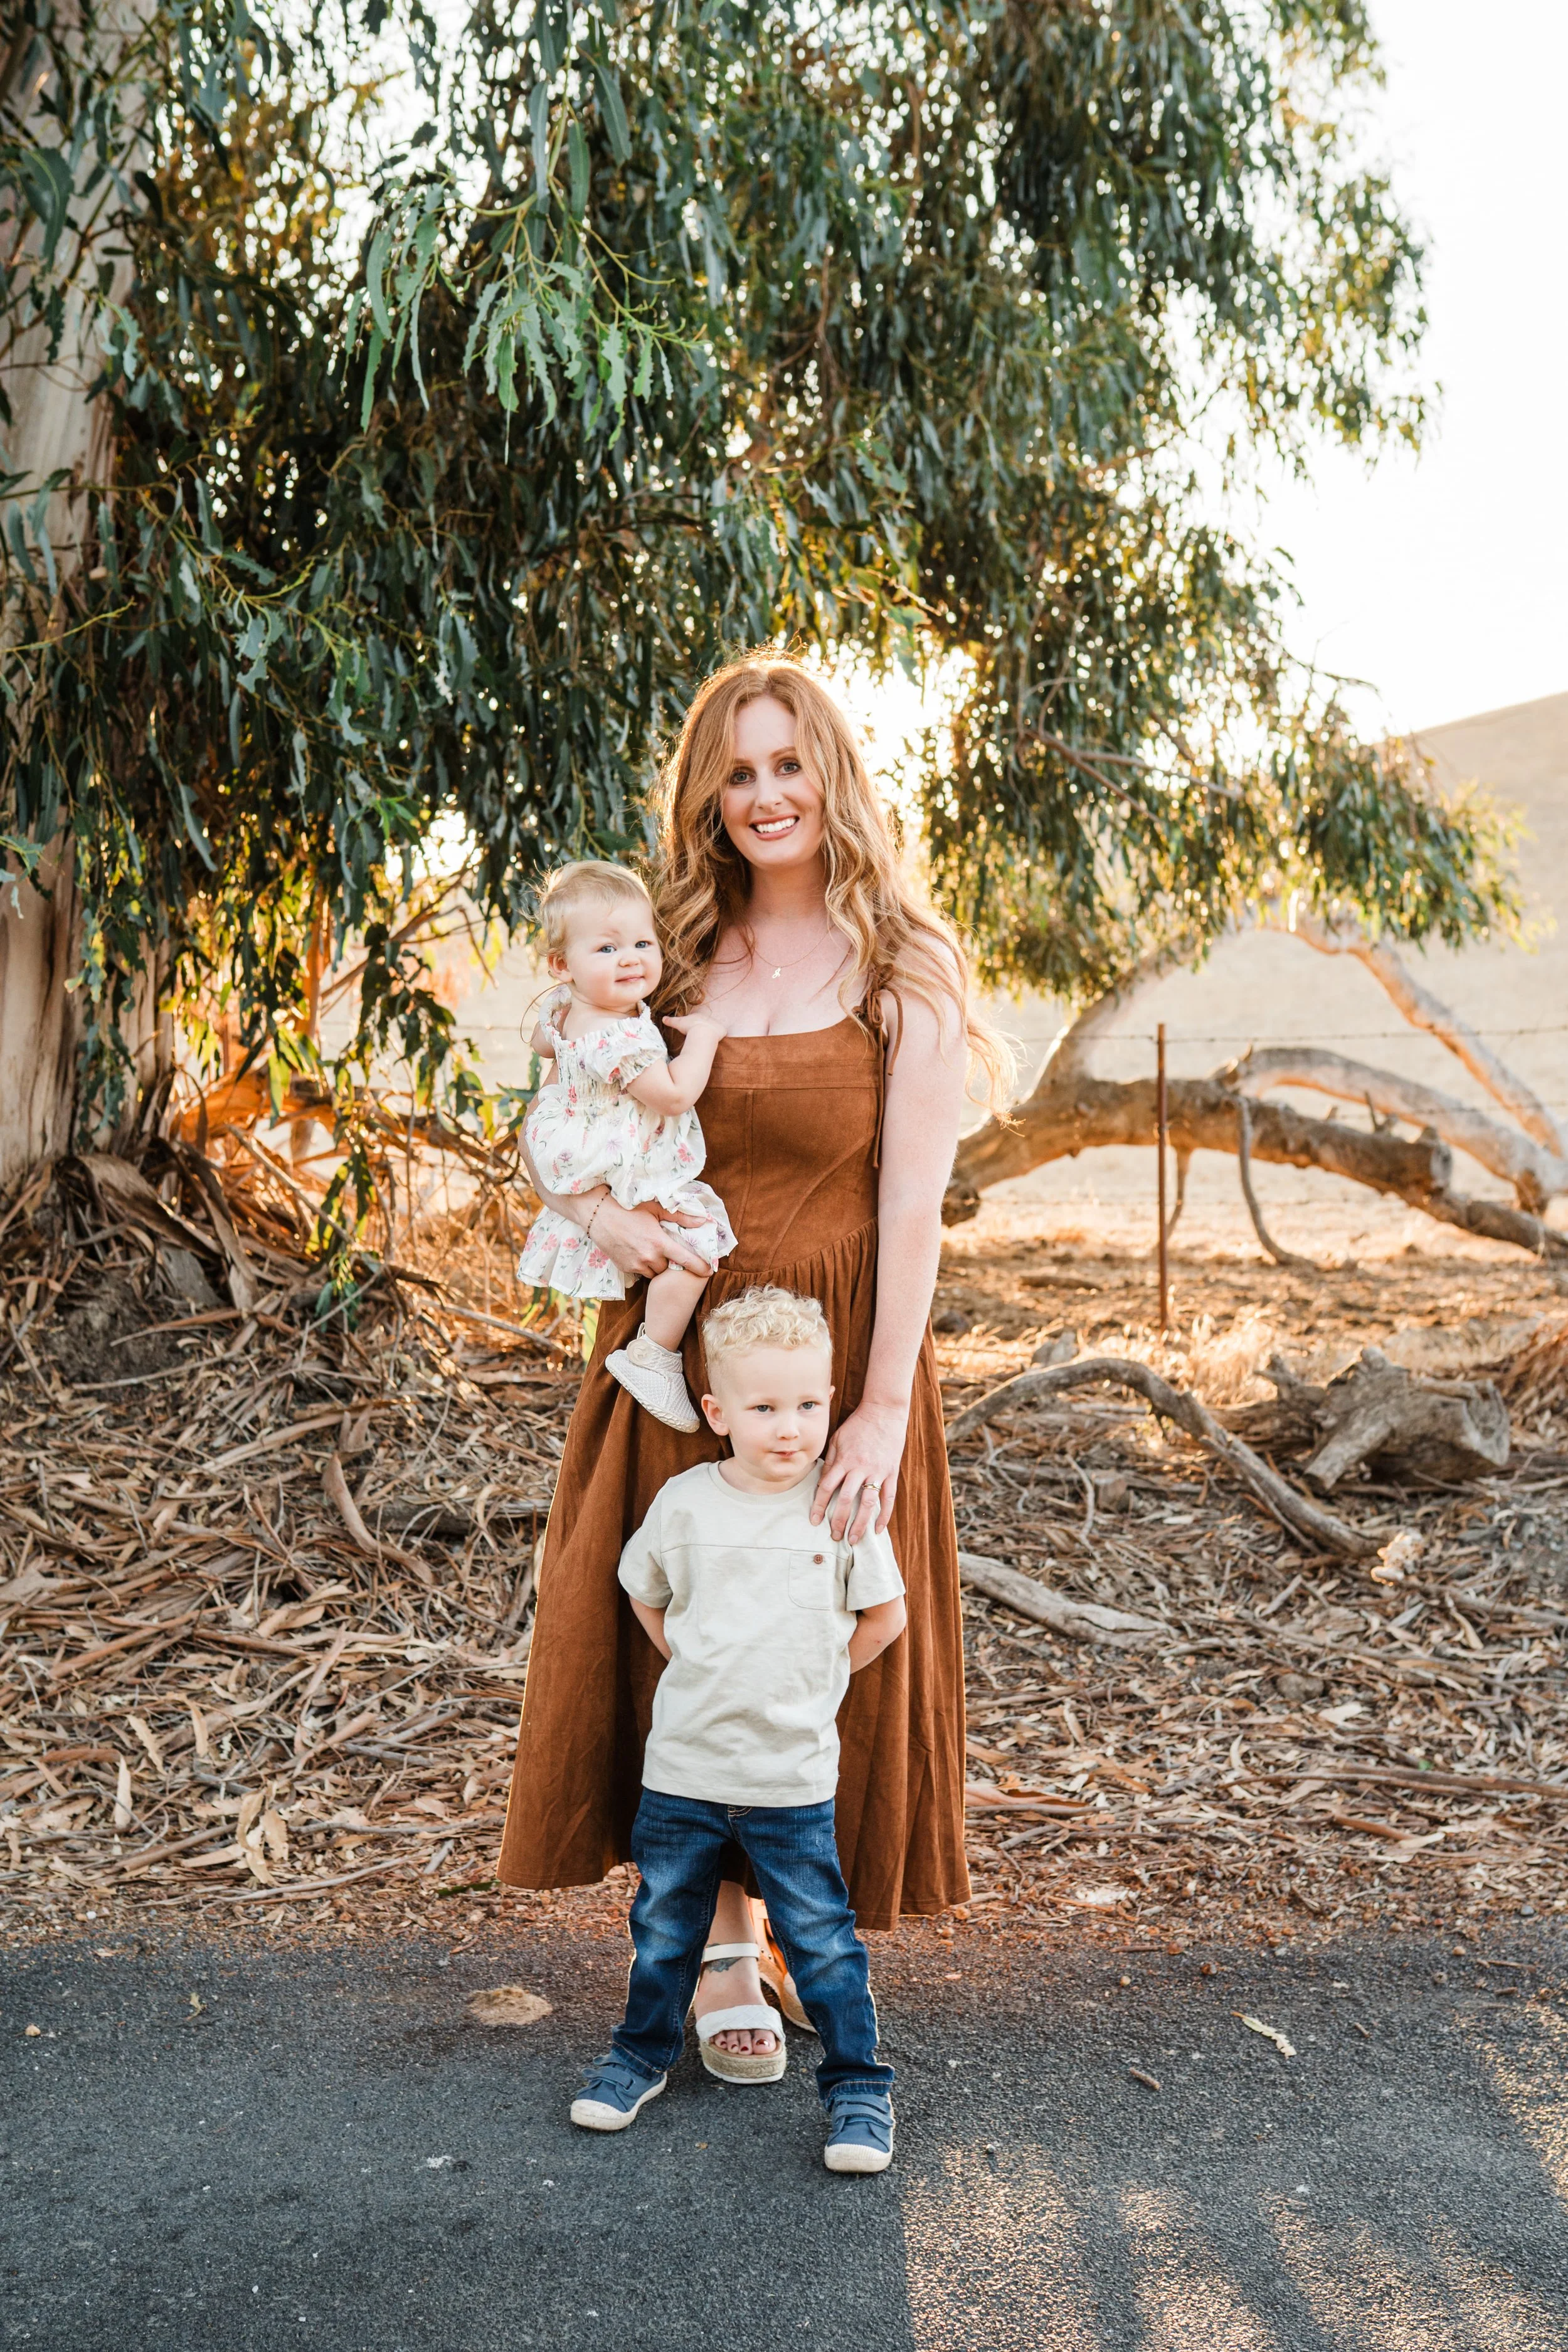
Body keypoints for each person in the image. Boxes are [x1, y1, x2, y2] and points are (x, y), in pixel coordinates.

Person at [501, 654, 1007, 2073]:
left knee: (802, 1634)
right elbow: (565, 1117)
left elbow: (911, 1207)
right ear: (706, 796)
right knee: (691, 1631)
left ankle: (785, 1914)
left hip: (830, 1358)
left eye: (789, 763)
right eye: (737, 771)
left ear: (832, 775)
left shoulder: (906, 966)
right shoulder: (660, 952)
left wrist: (884, 1406)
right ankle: (722, 1940)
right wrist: (604, 1220)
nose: (765, 793)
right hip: (683, 1347)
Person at [569, 1286, 906, 2173]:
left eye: (808, 1405)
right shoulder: (687, 1504)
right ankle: (639, 2056)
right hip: (684, 1772)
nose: (790, 1429)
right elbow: (643, 1590)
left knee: (822, 1942)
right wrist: (692, 1659)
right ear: (717, 1413)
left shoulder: (840, 1506)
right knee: (665, 1932)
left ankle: (858, 2088)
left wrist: (814, 1679)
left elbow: (884, 1618)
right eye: (763, 1409)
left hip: (790, 1779)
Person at [516, 860, 736, 1431]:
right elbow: (673, 1096)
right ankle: (653, 1355)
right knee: (697, 1240)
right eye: (607, 949)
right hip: (614, 1157)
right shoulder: (617, 1036)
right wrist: (705, 1038)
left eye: (642, 943)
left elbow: (543, 1043)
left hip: (571, 1138)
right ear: (561, 965)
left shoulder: (568, 1008)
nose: (631, 959)